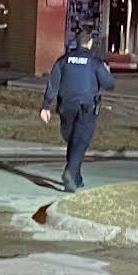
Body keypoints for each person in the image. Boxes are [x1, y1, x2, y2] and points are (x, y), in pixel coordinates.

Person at [39, 30, 115, 192]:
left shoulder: (63, 61)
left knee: (73, 141)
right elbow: (109, 85)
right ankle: (70, 173)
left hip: (65, 107)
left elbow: (53, 84)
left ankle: (76, 178)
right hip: (86, 108)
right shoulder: (95, 62)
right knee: (80, 142)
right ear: (90, 43)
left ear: (77, 42)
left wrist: (46, 106)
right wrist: (106, 71)